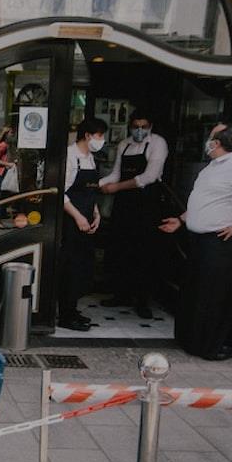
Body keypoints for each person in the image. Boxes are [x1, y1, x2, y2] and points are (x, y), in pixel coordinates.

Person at [159, 123, 232, 361]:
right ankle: (192, 341)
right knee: (195, 291)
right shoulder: (212, 166)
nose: (207, 141)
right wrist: (181, 220)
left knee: (215, 294)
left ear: (217, 142)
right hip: (199, 240)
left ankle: (211, 346)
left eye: (210, 136)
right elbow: (204, 202)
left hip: (221, 242)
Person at [98, 110, 169, 319]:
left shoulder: (158, 143)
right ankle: (121, 294)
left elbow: (149, 176)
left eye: (143, 126)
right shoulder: (124, 144)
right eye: (136, 126)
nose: (139, 130)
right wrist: (97, 183)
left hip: (146, 203)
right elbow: (116, 173)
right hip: (124, 204)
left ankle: (142, 300)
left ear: (150, 127)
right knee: (121, 247)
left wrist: (117, 187)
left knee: (144, 251)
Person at [58, 118, 108, 331]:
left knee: (83, 266)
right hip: (72, 222)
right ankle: (65, 314)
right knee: (70, 267)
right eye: (100, 135)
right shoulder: (70, 156)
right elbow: (60, 193)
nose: (102, 140)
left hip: (87, 220)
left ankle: (73, 309)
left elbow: (91, 191)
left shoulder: (91, 159)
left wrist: (96, 212)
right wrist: (78, 217)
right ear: (87, 135)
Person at [0, 126, 16, 222]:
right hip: (0, 174)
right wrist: (8, 164)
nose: (13, 135)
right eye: (11, 133)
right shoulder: (3, 145)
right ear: (6, 135)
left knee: (3, 195)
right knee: (1, 196)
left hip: (2, 173)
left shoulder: (6, 145)